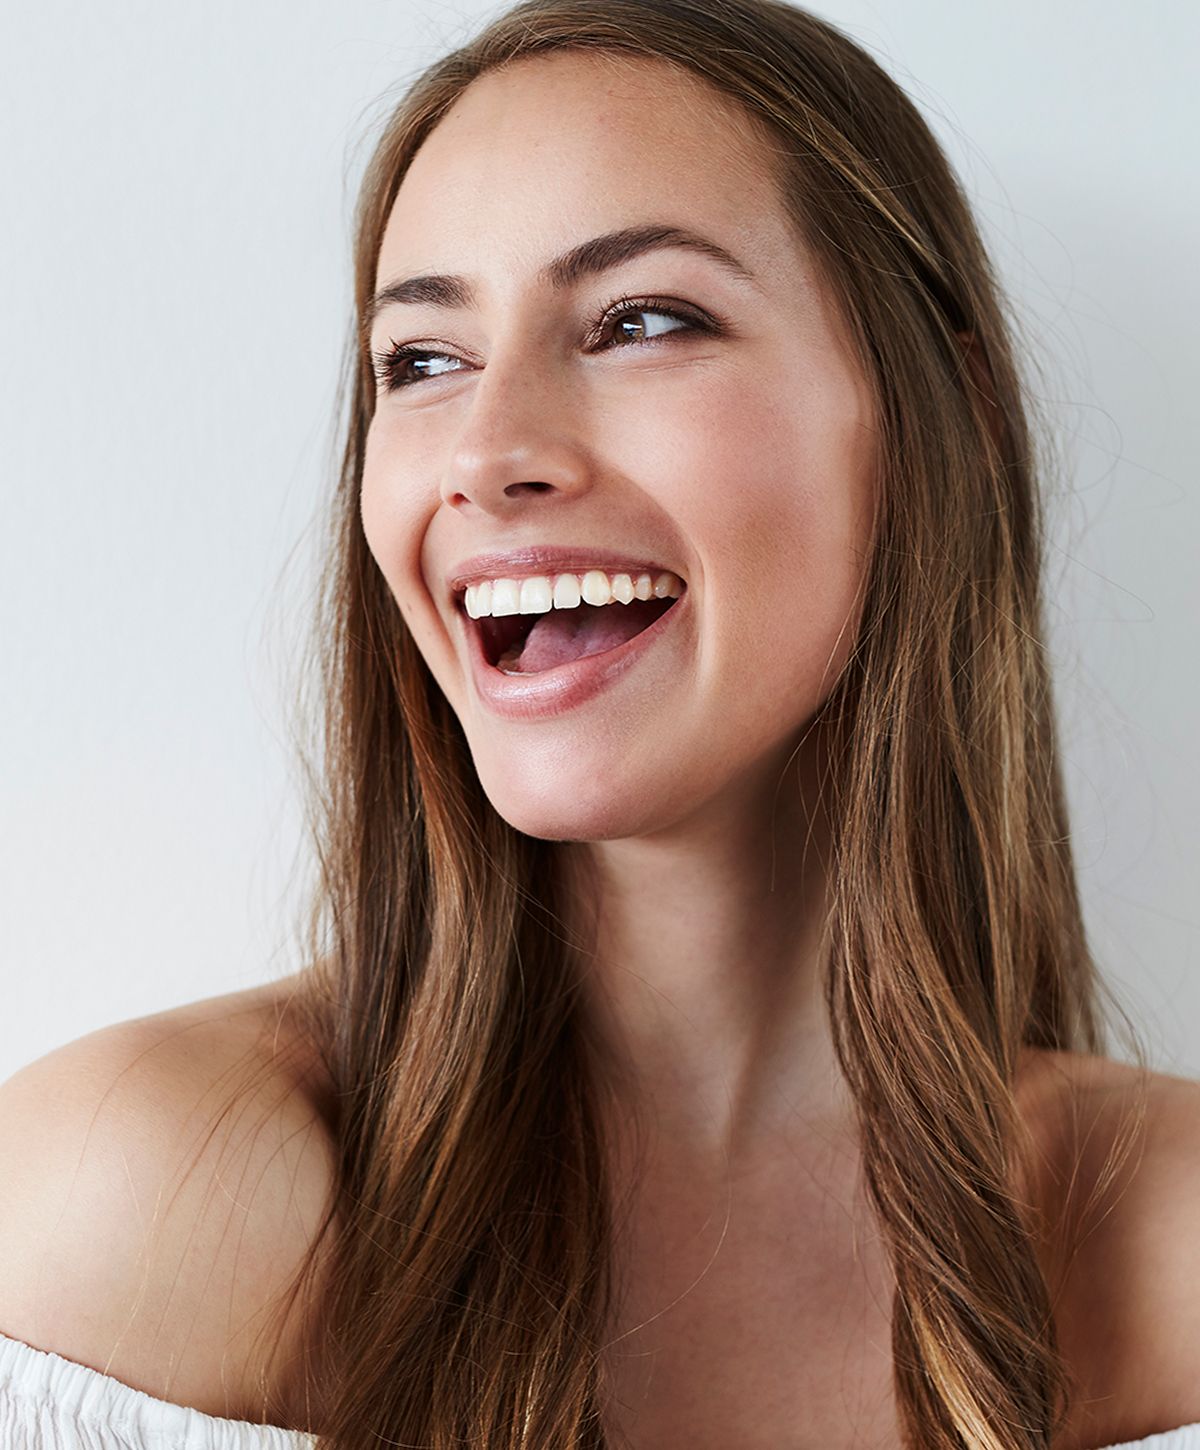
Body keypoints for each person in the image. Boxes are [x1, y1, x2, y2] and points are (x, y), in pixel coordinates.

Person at [1, 1, 1197, 1446]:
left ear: (945, 410)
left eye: (643, 322)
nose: (489, 453)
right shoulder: (131, 1196)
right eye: (422, 361)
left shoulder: (1172, 1245)